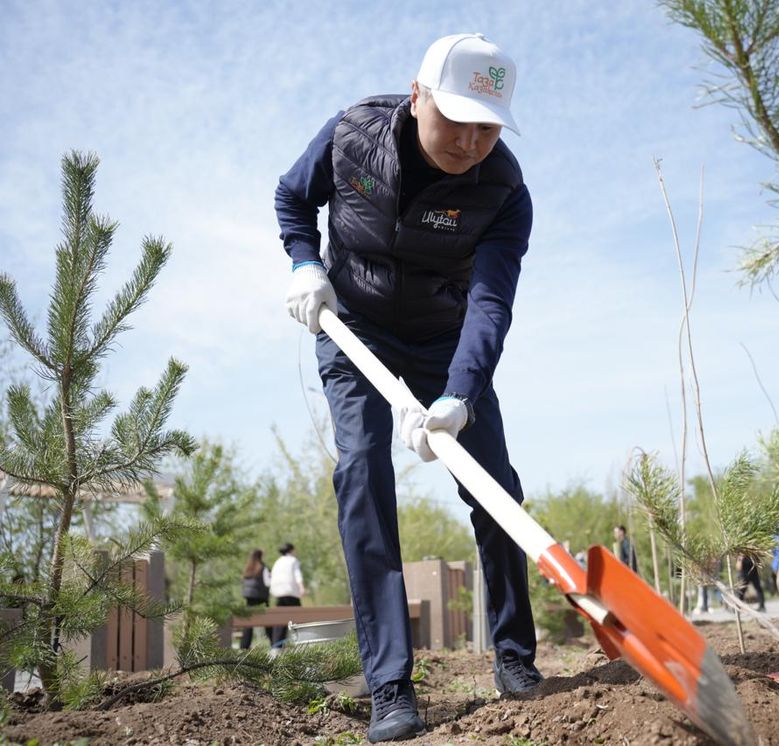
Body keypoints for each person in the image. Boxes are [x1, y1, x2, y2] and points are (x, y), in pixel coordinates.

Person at [275, 33, 540, 742]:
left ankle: (515, 656)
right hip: (354, 325)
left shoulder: (503, 191)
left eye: (488, 127)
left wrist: (459, 395)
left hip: (444, 339)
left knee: (495, 487)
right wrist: (304, 263)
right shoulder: (352, 136)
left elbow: (490, 303)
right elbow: (292, 199)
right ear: (418, 96)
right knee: (363, 471)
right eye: (457, 119)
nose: (471, 142)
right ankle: (390, 683)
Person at [269, 542, 304, 646]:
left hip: (279, 594)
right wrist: (302, 587)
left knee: (280, 622)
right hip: (291, 593)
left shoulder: (277, 562)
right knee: (298, 619)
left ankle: (276, 647)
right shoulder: (293, 560)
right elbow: (297, 575)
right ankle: (301, 643)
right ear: (291, 550)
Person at [240, 548, 273, 650]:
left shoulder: (248, 568)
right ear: (260, 556)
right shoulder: (263, 568)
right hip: (261, 598)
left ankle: (244, 646)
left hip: (249, 598)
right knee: (268, 622)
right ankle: (274, 643)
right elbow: (268, 582)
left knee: (248, 623)